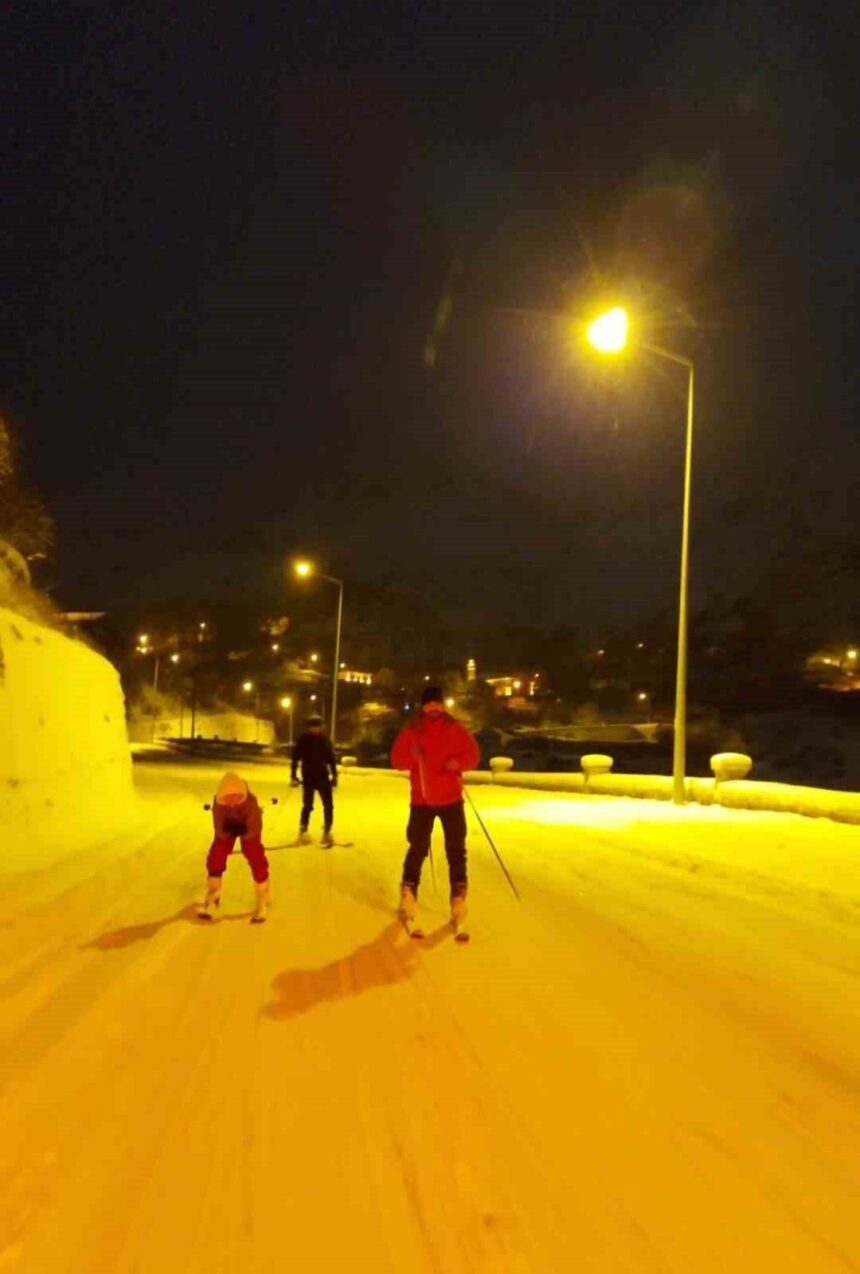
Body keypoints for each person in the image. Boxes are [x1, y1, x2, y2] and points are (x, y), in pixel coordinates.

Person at [390, 685, 480, 927]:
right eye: (429, 704)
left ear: (443, 705)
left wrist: (458, 762)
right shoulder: (413, 731)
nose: (433, 708)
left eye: (437, 704)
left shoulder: (455, 729)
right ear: (423, 707)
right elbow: (396, 760)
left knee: (456, 850)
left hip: (451, 799)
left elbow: (473, 755)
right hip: (422, 799)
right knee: (417, 848)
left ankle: (458, 896)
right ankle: (409, 892)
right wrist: (412, 755)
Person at [199, 772, 271, 923]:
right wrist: (226, 831)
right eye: (227, 799)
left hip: (248, 830)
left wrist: (245, 831)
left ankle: (263, 896)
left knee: (255, 855)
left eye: (236, 799)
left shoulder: (250, 804)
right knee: (217, 855)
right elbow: (218, 827)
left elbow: (255, 827)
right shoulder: (218, 805)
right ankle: (214, 894)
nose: (231, 803)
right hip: (228, 829)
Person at [291, 713, 338, 847]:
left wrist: (334, 775)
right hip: (309, 777)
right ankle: (303, 830)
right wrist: (293, 775)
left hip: (323, 776)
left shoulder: (325, 740)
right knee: (308, 805)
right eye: (312, 727)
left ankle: (327, 831)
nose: (315, 729)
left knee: (328, 805)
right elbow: (295, 759)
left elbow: (331, 759)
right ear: (308, 727)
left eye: (317, 726)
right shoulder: (303, 740)